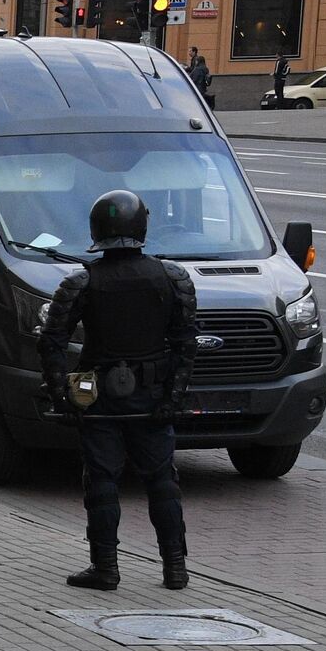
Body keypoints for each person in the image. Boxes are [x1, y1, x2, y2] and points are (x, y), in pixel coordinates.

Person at [39, 190, 198, 591]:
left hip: (99, 396)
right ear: (141, 227)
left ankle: (106, 567)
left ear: (97, 231)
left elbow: (51, 341)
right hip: (152, 395)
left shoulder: (83, 281)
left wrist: (63, 396)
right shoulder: (172, 277)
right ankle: (175, 567)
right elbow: (186, 343)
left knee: (102, 480)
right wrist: (173, 397)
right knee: (162, 480)